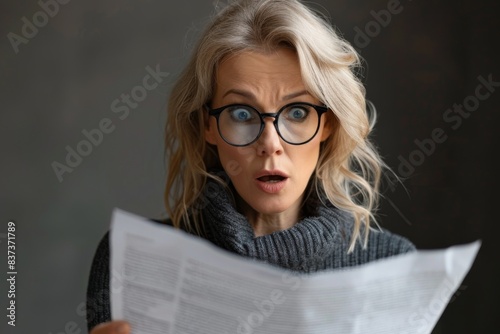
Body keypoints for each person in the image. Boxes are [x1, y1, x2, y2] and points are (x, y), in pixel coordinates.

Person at [86, 0, 416, 333]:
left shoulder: (390, 266)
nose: (270, 143)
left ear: (328, 123)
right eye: (242, 114)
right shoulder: (133, 263)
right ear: (208, 125)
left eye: (298, 112)